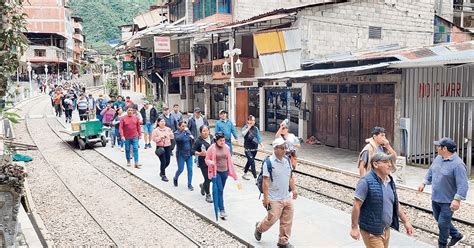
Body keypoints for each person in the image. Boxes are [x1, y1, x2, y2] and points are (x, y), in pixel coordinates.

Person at [350, 152, 413, 248]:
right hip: (372, 231)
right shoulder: (365, 182)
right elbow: (356, 205)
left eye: (390, 162)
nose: (390, 165)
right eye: (385, 162)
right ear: (375, 164)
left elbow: (395, 203)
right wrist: (354, 228)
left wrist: (406, 222)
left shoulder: (390, 181)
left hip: (386, 230)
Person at [418, 138, 469, 248]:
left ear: (444, 148)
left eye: (438, 146)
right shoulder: (438, 158)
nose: (436, 148)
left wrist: (457, 199)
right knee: (439, 219)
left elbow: (463, 184)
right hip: (436, 197)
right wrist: (424, 183)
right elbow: (431, 171)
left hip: (448, 201)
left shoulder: (458, 165)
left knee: (442, 224)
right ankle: (456, 235)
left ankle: (442, 245)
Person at [254, 138, 297, 248]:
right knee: (271, 219)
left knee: (287, 221)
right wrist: (266, 199)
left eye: (285, 148)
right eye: (282, 148)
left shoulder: (287, 160)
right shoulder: (269, 162)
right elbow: (266, 182)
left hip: (286, 197)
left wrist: (294, 189)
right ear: (275, 148)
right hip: (274, 198)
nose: (284, 150)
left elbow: (290, 177)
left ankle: (283, 241)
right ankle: (259, 228)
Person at [205, 132, 238, 218]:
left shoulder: (227, 147)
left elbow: (229, 160)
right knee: (220, 190)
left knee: (220, 190)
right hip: (216, 172)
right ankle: (222, 209)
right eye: (221, 141)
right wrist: (210, 162)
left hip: (225, 172)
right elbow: (206, 159)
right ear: (216, 140)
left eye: (223, 140)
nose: (223, 142)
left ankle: (217, 200)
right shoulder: (212, 148)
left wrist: (232, 172)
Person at [192, 125, 214, 203]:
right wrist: (200, 153)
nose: (205, 132)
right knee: (207, 178)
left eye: (207, 130)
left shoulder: (212, 137)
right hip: (203, 163)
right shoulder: (198, 141)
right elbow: (192, 151)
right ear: (201, 132)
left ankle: (203, 185)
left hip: (212, 162)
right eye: (203, 131)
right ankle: (208, 195)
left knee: (211, 178)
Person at [173, 121, 195, 191]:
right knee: (181, 169)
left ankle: (189, 184)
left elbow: (192, 141)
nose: (184, 128)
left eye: (185, 126)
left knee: (190, 169)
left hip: (189, 154)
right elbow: (178, 139)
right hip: (181, 154)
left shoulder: (188, 132)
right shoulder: (176, 133)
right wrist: (184, 132)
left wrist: (192, 138)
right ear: (179, 126)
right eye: (182, 126)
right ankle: (175, 177)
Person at [151, 118, 174, 182]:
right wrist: (160, 137)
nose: (163, 122)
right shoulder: (156, 130)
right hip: (160, 147)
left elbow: (172, 137)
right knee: (163, 161)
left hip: (168, 146)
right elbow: (153, 139)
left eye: (164, 121)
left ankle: (161, 171)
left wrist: (170, 134)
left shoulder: (168, 129)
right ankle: (163, 175)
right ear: (158, 123)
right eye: (161, 121)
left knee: (168, 161)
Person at [241, 115, 263, 180]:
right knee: (252, 162)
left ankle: (244, 173)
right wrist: (248, 127)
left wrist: (261, 144)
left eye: (253, 120)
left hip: (255, 148)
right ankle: (256, 178)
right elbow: (243, 134)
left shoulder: (256, 128)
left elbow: (258, 137)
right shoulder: (245, 128)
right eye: (251, 120)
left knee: (249, 161)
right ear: (248, 121)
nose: (252, 121)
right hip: (247, 149)